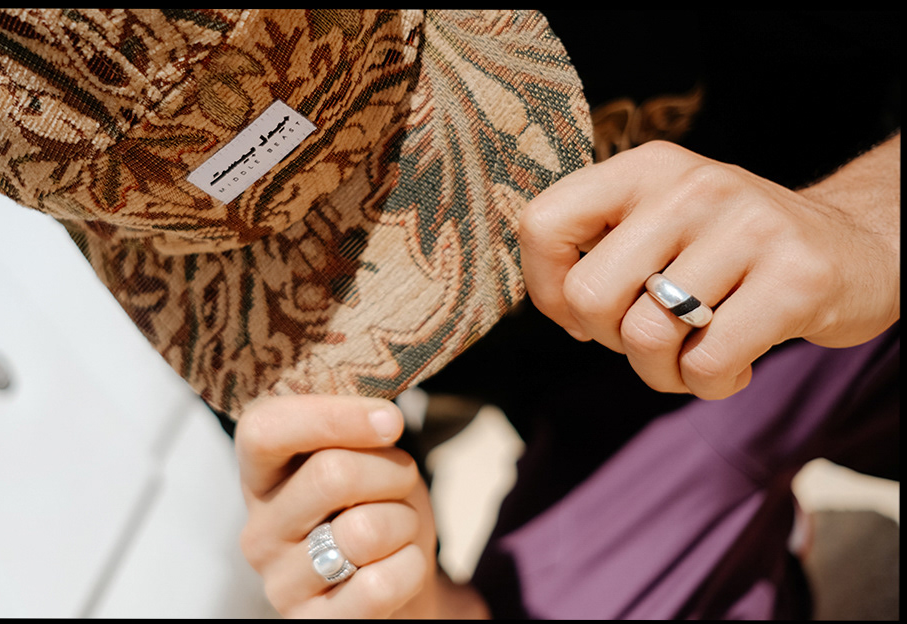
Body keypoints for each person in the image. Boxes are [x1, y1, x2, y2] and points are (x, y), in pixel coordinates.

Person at [233, 10, 900, 619]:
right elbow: (404, 556)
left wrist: (868, 218)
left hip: (850, 262)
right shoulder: (215, 294)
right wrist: (415, 599)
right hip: (604, 427)